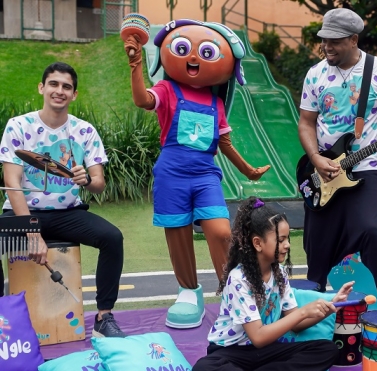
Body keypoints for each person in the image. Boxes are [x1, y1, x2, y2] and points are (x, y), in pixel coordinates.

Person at [124, 19, 270, 329]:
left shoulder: (216, 103)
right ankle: (189, 291)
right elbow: (142, 100)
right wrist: (135, 64)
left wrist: (247, 170)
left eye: (205, 52)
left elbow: (224, 143)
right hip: (171, 175)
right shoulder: (167, 89)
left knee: (221, 232)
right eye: (183, 49)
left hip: (205, 176)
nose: (193, 57)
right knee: (178, 236)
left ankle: (233, 293)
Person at [192, 197, 354, 371]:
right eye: (281, 239)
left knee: (327, 349)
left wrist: (331, 306)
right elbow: (258, 337)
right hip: (230, 353)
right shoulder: (239, 279)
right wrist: (304, 312)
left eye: (288, 239)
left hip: (265, 354)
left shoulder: (279, 274)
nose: (287, 245)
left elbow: (297, 325)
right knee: (202, 370)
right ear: (258, 243)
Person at [0, 62, 125, 338]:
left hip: (67, 212)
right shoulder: (18, 126)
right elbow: (12, 184)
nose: (60, 91)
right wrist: (31, 231)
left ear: (74, 94)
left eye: (67, 87)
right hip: (24, 212)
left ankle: (104, 317)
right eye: (54, 84)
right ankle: (1, 319)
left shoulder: (84, 131)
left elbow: (99, 184)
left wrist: (86, 179)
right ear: (41, 88)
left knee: (112, 238)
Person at [298, 8, 377, 309]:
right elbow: (306, 122)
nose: (327, 47)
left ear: (353, 39)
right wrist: (315, 158)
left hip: (367, 167)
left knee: (370, 230)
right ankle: (314, 307)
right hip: (323, 172)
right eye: (324, 40)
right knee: (317, 247)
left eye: (335, 41)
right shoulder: (315, 74)